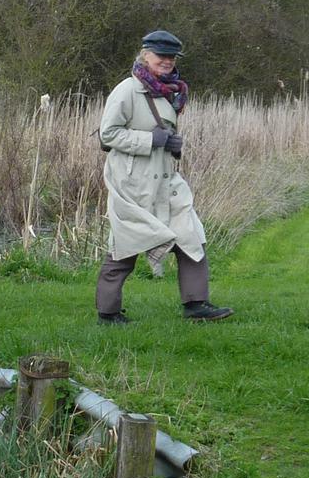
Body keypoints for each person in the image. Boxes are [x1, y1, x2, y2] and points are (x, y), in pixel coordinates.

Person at [95, 29, 233, 323]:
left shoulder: (171, 90)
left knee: (191, 237)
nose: (167, 61)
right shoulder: (127, 90)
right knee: (125, 248)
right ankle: (107, 314)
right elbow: (107, 135)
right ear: (145, 55)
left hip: (167, 182)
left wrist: (172, 144)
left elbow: (160, 131)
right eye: (161, 55)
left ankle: (196, 305)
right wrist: (150, 141)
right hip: (134, 185)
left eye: (171, 56)